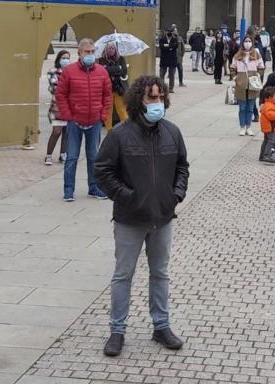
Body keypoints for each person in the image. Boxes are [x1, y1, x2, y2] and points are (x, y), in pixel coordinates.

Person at [95, 75, 189, 357]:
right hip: (129, 219)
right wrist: (126, 196)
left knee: (160, 273)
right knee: (123, 275)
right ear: (139, 100)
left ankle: (161, 326)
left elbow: (182, 167)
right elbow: (102, 171)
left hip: (162, 217)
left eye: (160, 97)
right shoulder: (120, 135)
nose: (157, 102)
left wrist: (176, 194)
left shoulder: (172, 132)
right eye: (152, 97)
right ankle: (117, 330)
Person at [55, 38, 112, 202]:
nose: (90, 55)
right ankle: (68, 190)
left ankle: (94, 188)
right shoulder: (69, 71)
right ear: (79, 53)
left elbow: (107, 95)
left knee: (94, 156)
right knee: (71, 156)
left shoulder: (102, 71)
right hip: (75, 121)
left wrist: (103, 116)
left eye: (92, 51)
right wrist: (68, 115)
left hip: (94, 120)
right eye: (87, 52)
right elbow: (61, 95)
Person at [232, 36, 265, 136]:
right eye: (246, 41)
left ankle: (249, 127)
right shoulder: (238, 55)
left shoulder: (256, 54)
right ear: (243, 43)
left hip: (252, 84)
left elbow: (261, 67)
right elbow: (232, 67)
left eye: (249, 41)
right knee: (242, 108)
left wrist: (258, 74)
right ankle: (242, 127)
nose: (248, 43)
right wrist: (235, 78)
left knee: (250, 107)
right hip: (241, 84)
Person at [45, 50, 71, 166]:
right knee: (56, 131)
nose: (66, 60)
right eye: (64, 58)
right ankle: (48, 155)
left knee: (67, 132)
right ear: (59, 59)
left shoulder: (71, 72)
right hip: (57, 106)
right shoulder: (53, 72)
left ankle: (63, 154)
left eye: (68, 58)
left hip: (69, 106)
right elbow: (54, 89)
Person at [99, 43, 129, 130]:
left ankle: (126, 129)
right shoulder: (102, 60)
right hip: (107, 89)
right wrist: (117, 69)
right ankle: (109, 130)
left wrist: (108, 69)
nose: (111, 50)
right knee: (108, 111)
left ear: (115, 50)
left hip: (119, 88)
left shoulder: (121, 59)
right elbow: (102, 72)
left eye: (112, 48)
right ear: (105, 49)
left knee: (122, 110)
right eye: (109, 48)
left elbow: (124, 72)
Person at [158, 28, 179, 93]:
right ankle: (161, 88)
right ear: (166, 32)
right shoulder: (162, 39)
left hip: (172, 59)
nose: (169, 33)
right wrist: (170, 47)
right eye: (168, 32)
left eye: (170, 32)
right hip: (164, 59)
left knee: (172, 74)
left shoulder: (175, 39)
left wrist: (167, 46)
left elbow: (175, 46)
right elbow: (161, 47)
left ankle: (171, 88)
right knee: (162, 74)